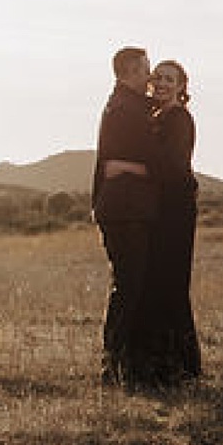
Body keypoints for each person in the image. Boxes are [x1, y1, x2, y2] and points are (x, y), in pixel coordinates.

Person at [133, 59, 202, 383]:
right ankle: (163, 365)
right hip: (161, 210)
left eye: (169, 79)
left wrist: (131, 170)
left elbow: (171, 168)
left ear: (181, 86)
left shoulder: (178, 119)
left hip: (176, 210)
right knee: (158, 284)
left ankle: (184, 368)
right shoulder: (157, 116)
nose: (161, 83)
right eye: (157, 77)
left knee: (171, 285)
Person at [91, 46, 156, 387]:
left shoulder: (124, 105)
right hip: (125, 209)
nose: (150, 76)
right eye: (146, 69)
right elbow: (146, 159)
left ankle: (123, 362)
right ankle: (114, 365)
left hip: (121, 207)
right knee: (129, 287)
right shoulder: (125, 110)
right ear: (130, 72)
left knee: (129, 285)